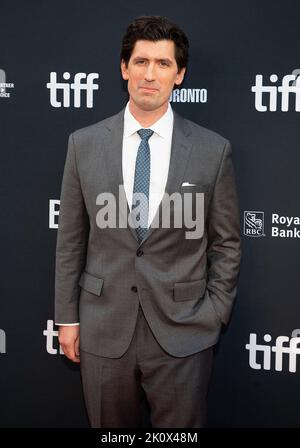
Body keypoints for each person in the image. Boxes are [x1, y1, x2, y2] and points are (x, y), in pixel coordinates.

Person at [55, 15, 241, 428]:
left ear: (180, 75)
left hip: (185, 331)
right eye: (140, 62)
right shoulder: (83, 145)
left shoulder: (213, 150)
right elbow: (70, 238)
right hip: (104, 327)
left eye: (162, 63)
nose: (150, 75)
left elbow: (226, 242)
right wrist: (67, 317)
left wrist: (214, 313)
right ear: (124, 69)